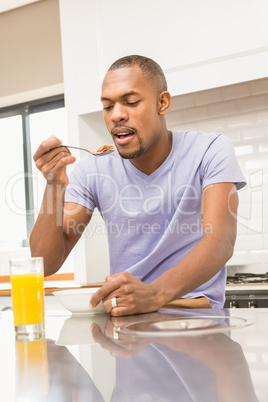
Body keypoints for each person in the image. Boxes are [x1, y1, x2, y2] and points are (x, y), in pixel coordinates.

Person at [30, 55, 246, 316]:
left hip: (197, 316)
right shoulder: (93, 170)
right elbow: (45, 264)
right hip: (129, 322)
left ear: (162, 103)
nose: (117, 115)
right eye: (108, 107)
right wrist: (53, 185)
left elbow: (221, 240)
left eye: (131, 102)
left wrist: (155, 293)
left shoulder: (210, 150)